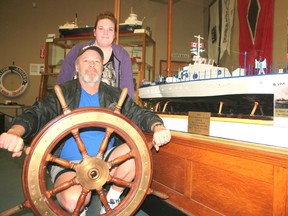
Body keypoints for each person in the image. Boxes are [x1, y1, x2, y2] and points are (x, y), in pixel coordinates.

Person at [0, 45, 171, 215]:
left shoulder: (113, 94)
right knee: (75, 200)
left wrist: (157, 126)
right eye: (86, 60)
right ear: (76, 66)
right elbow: (37, 113)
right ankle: (80, 206)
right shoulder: (63, 92)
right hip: (68, 163)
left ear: (102, 67)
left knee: (137, 152)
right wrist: (14, 132)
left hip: (107, 160)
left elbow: (139, 113)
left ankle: (112, 197)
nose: (91, 64)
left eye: (97, 61)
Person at [58, 11, 135, 99]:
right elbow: (63, 82)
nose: (105, 33)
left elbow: (127, 90)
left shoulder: (122, 55)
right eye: (101, 28)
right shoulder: (77, 51)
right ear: (94, 32)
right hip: (77, 108)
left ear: (114, 34)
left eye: (110, 29)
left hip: (109, 110)